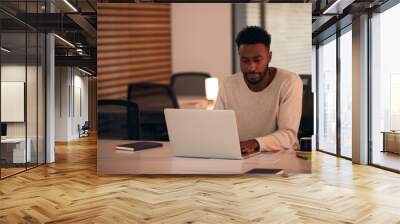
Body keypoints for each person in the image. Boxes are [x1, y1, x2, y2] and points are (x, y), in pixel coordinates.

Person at [214, 26, 303, 156]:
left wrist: (255, 143)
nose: (251, 67)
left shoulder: (289, 81)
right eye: (245, 61)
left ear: (269, 57)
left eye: (257, 60)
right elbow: (216, 127)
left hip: (281, 157)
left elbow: (288, 135)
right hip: (241, 156)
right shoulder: (228, 84)